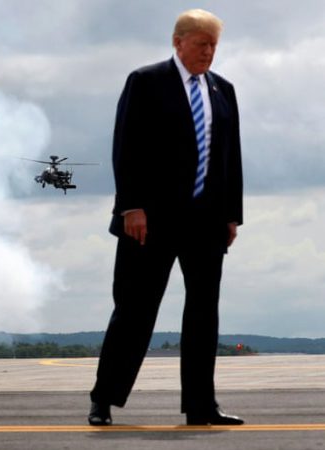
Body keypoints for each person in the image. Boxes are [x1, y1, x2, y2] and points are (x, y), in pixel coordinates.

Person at [89, 9, 244, 426]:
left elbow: (229, 157)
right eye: (201, 44)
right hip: (149, 222)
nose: (208, 52)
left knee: (203, 314)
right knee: (134, 311)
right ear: (178, 42)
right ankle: (103, 399)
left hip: (206, 223)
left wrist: (231, 216)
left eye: (213, 45)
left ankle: (201, 406)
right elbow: (126, 147)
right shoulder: (145, 81)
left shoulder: (223, 89)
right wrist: (131, 207)